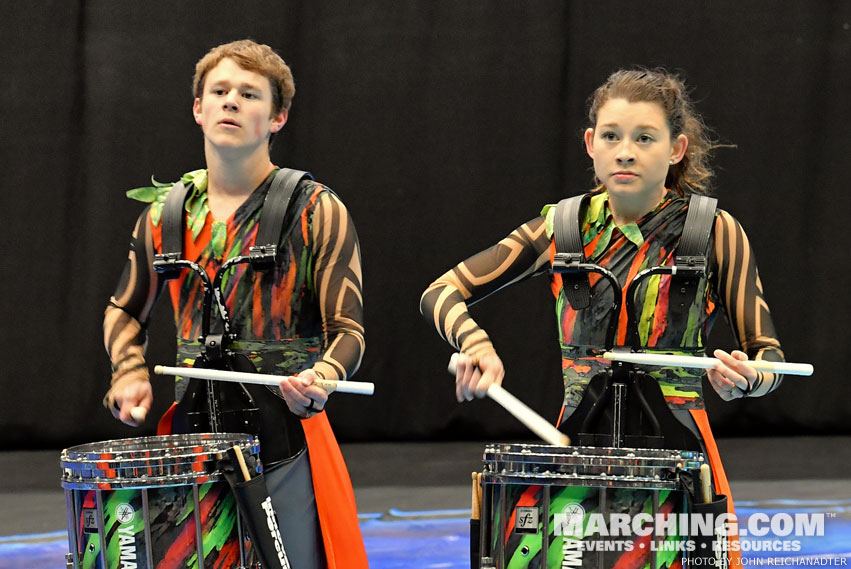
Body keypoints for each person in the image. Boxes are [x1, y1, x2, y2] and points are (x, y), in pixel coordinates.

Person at [420, 68, 784, 567]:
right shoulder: (561, 228)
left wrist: (747, 379)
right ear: (591, 143)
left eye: (645, 137)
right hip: (576, 455)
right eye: (611, 136)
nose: (625, 151)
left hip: (681, 460)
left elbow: (769, 359)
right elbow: (441, 292)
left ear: (675, 149)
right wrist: (475, 344)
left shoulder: (717, 232)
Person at [102, 39, 368, 569]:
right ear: (198, 109)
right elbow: (126, 310)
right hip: (192, 443)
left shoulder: (317, 209)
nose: (231, 102)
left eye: (249, 94)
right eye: (219, 91)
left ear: (278, 118)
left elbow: (348, 328)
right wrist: (127, 372)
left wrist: (323, 376)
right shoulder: (164, 216)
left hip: (288, 440)